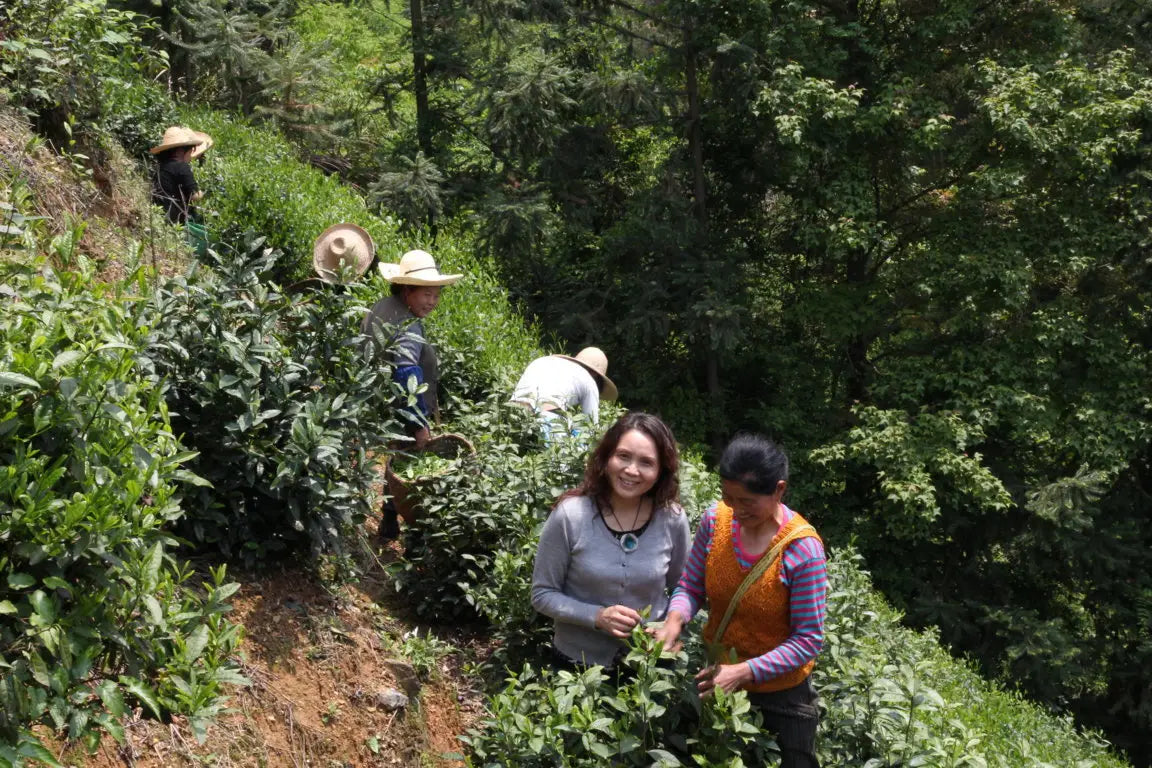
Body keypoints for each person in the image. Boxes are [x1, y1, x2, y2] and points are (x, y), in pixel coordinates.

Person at [652, 434, 827, 768]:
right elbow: (691, 586)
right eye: (728, 497)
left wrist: (744, 672)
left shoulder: (803, 551)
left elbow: (808, 639)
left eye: (747, 501)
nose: (736, 509)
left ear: (779, 490)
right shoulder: (715, 521)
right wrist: (673, 621)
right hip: (717, 678)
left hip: (781, 698)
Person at [531, 412, 691, 671]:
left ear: (661, 470)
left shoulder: (672, 519)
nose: (632, 470)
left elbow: (683, 588)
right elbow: (542, 594)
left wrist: (672, 626)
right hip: (578, 668)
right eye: (623, 456)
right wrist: (596, 617)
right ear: (606, 458)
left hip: (649, 666)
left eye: (646, 462)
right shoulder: (571, 516)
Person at [362, 249, 462, 538]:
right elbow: (406, 373)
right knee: (405, 463)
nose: (432, 302)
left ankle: (389, 521)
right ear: (407, 290)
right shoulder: (408, 323)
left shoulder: (383, 306)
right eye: (426, 294)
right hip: (400, 407)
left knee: (393, 458)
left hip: (373, 398)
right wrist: (418, 424)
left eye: (436, 295)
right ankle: (398, 523)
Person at [511, 348, 617, 440]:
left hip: (514, 410)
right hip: (546, 417)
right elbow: (591, 429)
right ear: (595, 374)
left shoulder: (546, 361)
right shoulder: (589, 380)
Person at [150, 126, 211, 225]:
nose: (191, 155)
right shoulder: (182, 167)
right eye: (191, 151)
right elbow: (194, 196)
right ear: (180, 151)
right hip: (175, 220)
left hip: (160, 216)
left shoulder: (162, 166)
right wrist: (206, 192)